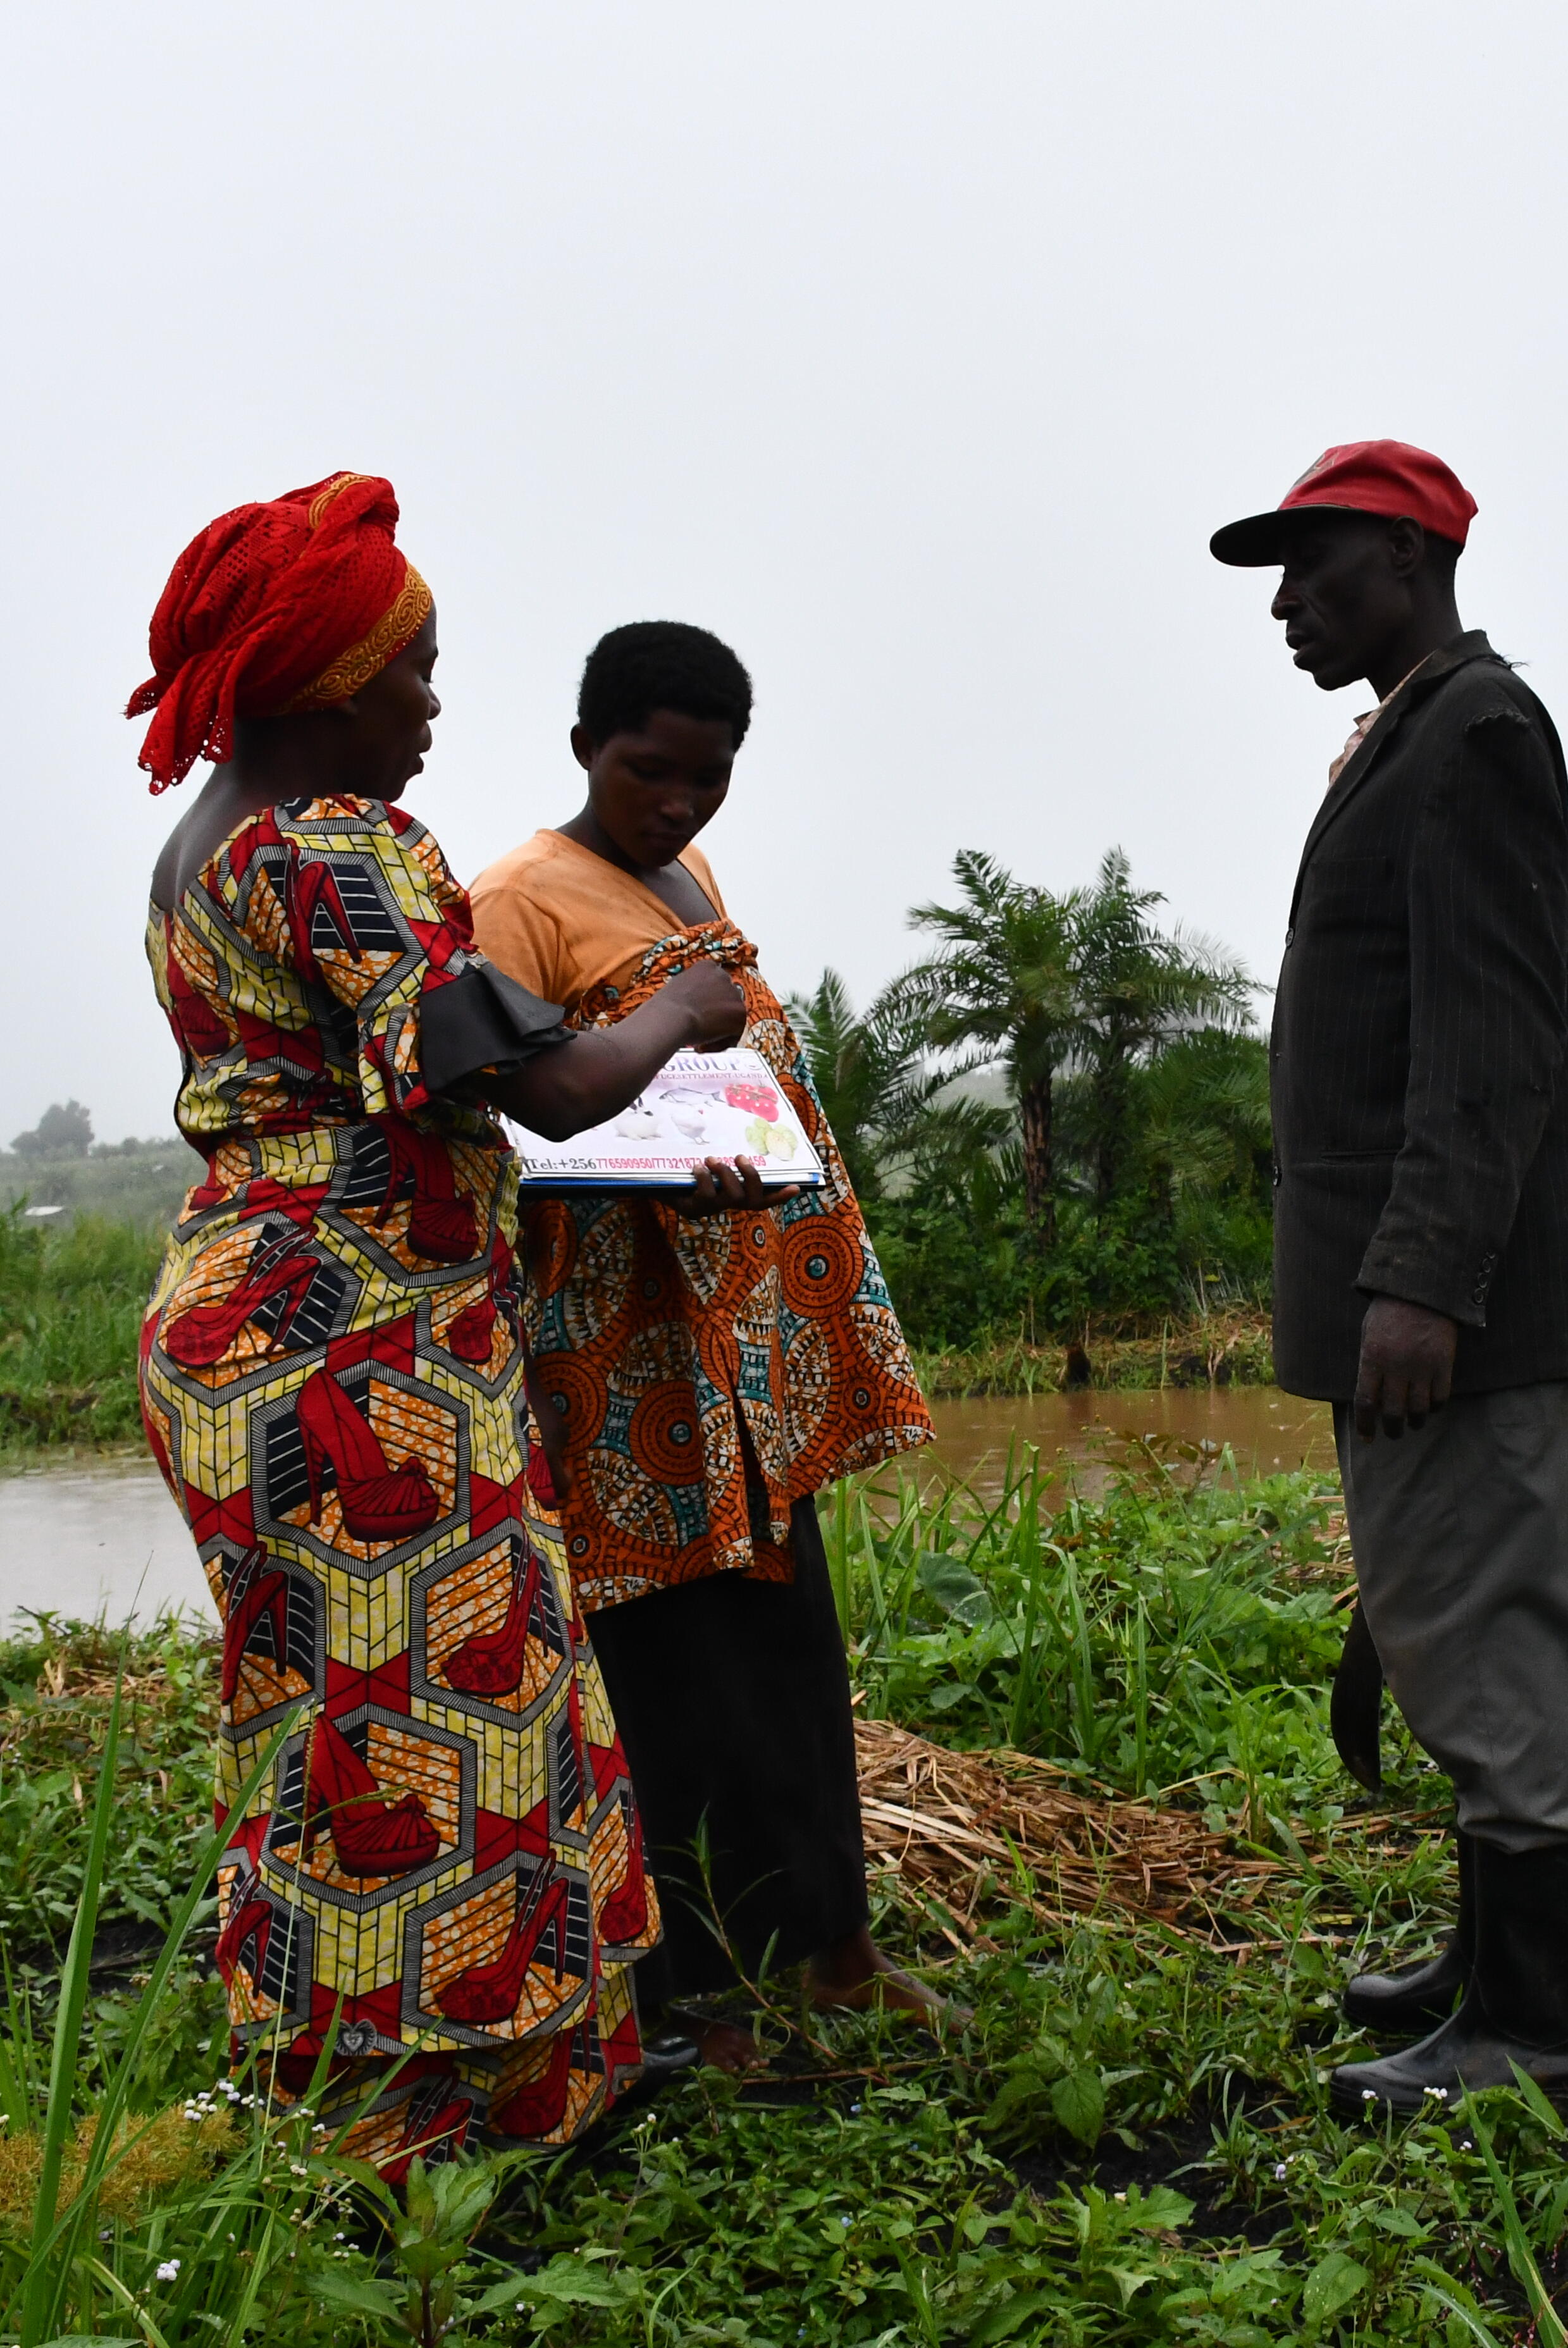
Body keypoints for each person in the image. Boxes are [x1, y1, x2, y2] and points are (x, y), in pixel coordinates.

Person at [130, 474, 751, 2177]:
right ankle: (440, 2121)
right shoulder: (340, 842)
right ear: (323, 681)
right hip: (359, 1344)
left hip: (247, 1322)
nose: (430, 704)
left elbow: (417, 1046)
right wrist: (681, 1013)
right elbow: (537, 1087)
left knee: (338, 1714)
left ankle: (422, 2081)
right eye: (409, 671)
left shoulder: (203, 851)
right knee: (432, 1717)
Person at [1208, 442, 1568, 2108]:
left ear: (1405, 555)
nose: (1286, 606)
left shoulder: (1478, 731)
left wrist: (1427, 1280)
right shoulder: (1412, 730)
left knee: (1495, 1623)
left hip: (1471, 1312)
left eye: (1310, 568)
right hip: (1424, 1298)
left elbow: (1492, 1036)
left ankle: (1541, 2026)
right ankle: (1488, 1960)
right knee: (1446, 1620)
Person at [467, 621, 944, 2067]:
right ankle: (686, 1996)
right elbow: (507, 1126)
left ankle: (837, 1949)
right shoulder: (515, 899)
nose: (676, 801)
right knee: (664, 1673)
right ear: (584, 747)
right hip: (621, 1356)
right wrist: (654, 1170)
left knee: (786, 1643)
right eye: (646, 770)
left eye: (707, 776)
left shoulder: (688, 874)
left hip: (734, 1342)